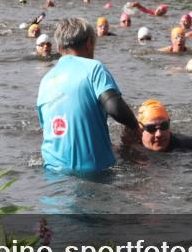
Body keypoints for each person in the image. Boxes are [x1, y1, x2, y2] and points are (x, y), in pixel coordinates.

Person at [36, 18, 141, 173]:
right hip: (93, 172)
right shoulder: (94, 68)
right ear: (89, 43)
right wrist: (134, 126)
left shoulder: (46, 80)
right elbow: (115, 107)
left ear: (59, 48)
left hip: (52, 172)